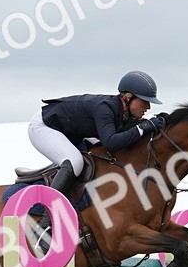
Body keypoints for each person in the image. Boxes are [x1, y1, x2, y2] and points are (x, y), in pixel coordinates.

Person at [27, 70, 165, 246]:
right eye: (145, 101)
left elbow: (124, 135)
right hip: (43, 127)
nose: (148, 107)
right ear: (128, 98)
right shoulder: (105, 108)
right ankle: (44, 223)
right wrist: (142, 128)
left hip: (71, 132)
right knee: (74, 161)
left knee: (99, 156)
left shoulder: (122, 111)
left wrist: (153, 125)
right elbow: (111, 142)